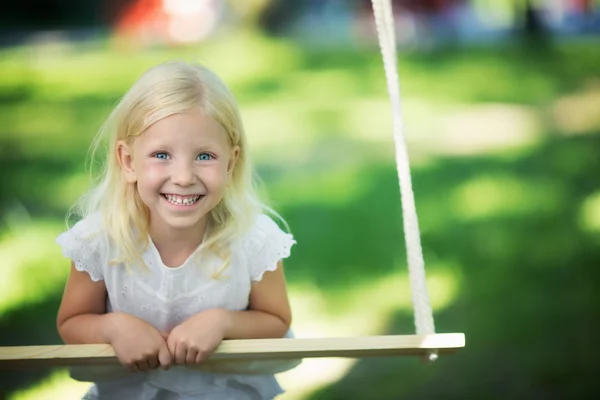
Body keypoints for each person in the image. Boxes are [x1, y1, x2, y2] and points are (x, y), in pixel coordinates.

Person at [55, 61, 297, 400]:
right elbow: (72, 322)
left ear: (231, 163)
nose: (183, 177)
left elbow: (276, 321)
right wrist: (114, 326)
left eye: (204, 156)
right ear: (128, 162)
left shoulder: (253, 239)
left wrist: (223, 322)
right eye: (161, 154)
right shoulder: (99, 240)